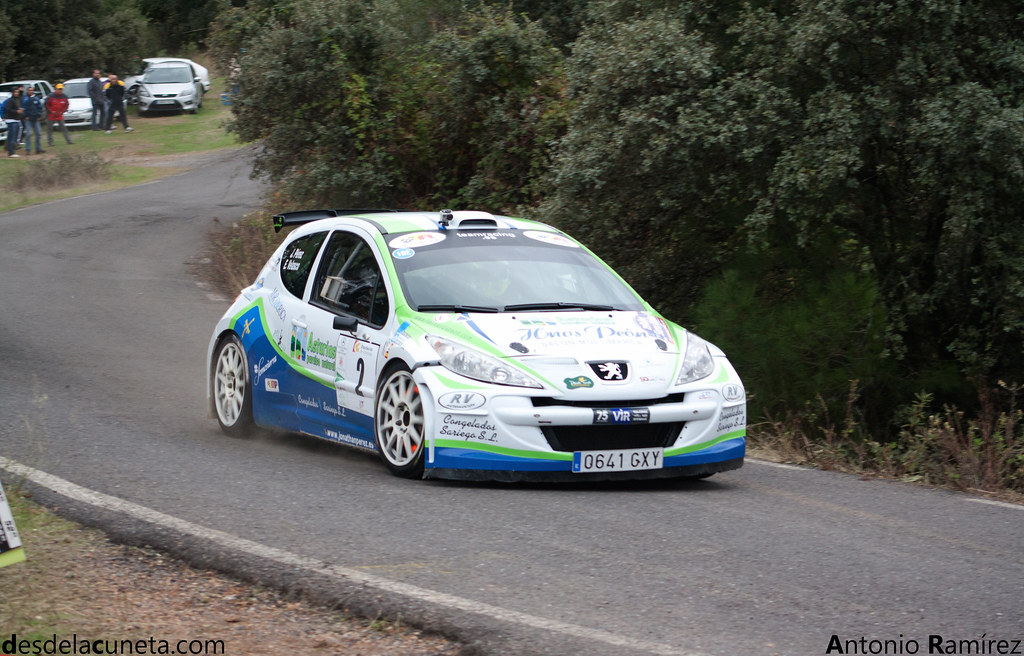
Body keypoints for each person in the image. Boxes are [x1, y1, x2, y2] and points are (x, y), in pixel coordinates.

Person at [21, 85, 45, 154]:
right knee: (28, 134)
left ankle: (38, 148)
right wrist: (25, 116)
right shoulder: (25, 99)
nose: (31, 92)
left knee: (38, 133)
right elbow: (23, 109)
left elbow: (40, 108)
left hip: (36, 119)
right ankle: (28, 149)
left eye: (32, 90)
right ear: (27, 91)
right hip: (28, 119)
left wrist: (39, 116)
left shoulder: (36, 99)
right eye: (29, 90)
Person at [3, 86, 24, 158]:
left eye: (17, 92)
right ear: (12, 92)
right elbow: (7, 109)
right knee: (12, 137)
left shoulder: (17, 99)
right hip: (11, 120)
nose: (16, 93)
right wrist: (16, 111)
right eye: (15, 92)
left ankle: (11, 151)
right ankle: (11, 152)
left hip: (16, 119)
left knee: (12, 136)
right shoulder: (10, 100)